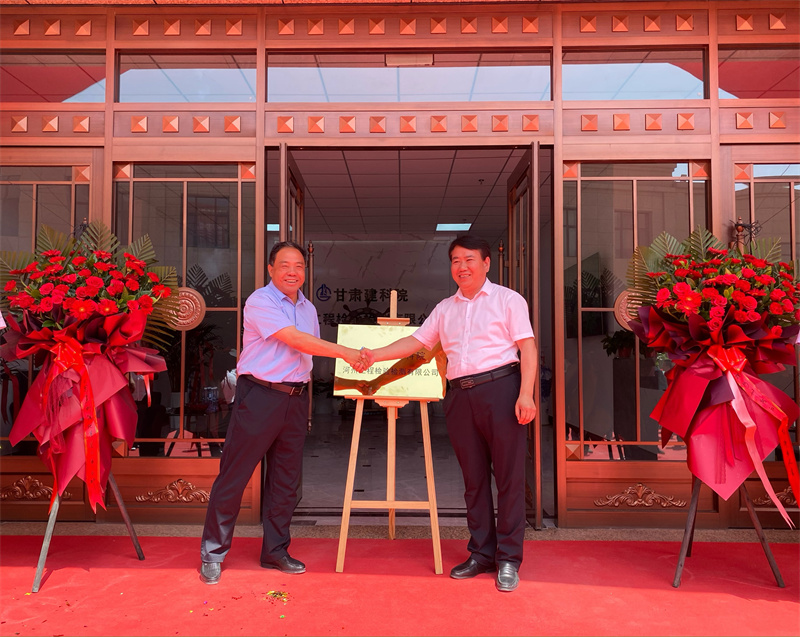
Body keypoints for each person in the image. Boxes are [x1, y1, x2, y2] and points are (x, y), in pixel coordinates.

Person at [360, 235, 537, 592]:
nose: (462, 267)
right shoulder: (445, 308)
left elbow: (527, 348)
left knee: (509, 479)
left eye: (469, 259)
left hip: (501, 390)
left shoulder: (508, 300)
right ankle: (481, 553)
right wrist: (374, 354)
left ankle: (508, 559)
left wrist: (526, 394)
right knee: (473, 481)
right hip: (459, 396)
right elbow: (416, 343)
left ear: (486, 263)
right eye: (456, 261)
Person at [200, 240, 366, 585]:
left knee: (286, 481)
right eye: (285, 265)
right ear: (271, 269)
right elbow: (296, 340)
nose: (293, 272)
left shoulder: (308, 308)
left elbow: (309, 354)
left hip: (295, 399)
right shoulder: (260, 301)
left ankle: (275, 551)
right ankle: (213, 552)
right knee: (235, 475)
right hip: (260, 396)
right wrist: (348, 353)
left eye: (299, 266)